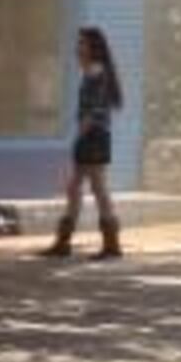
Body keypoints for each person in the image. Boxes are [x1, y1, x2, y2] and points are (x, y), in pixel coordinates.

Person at [41, 26, 123, 261]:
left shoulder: (96, 72)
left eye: (82, 43)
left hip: (93, 135)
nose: (78, 48)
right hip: (95, 135)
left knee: (93, 187)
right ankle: (67, 242)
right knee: (79, 187)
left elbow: (94, 111)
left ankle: (107, 244)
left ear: (92, 47)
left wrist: (78, 136)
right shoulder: (94, 71)